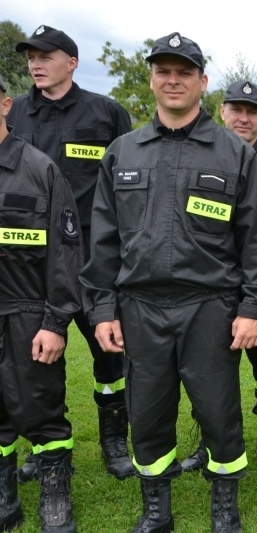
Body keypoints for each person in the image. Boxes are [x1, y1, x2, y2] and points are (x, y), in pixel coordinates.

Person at [80, 33, 257, 533]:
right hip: (140, 308)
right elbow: (102, 240)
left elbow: (256, 240)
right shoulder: (123, 152)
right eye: (163, 71)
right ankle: (156, 509)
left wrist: (254, 307)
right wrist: (102, 309)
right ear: (151, 79)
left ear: (202, 82)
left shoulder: (233, 152)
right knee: (146, 415)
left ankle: (224, 506)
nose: (173, 80)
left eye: (184, 72)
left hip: (209, 305)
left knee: (219, 413)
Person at [8, 24, 134, 481]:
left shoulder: (106, 113)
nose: (35, 64)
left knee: (110, 351)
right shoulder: (14, 113)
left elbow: (129, 180)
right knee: (33, 356)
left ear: (72, 62)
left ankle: (114, 438)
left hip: (92, 254)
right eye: (31, 56)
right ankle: (41, 444)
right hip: (30, 261)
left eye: (46, 55)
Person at [180, 79, 257, 474]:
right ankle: (209, 442)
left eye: (253, 111)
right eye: (236, 109)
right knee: (206, 371)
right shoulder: (201, 156)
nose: (244, 118)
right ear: (222, 111)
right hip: (213, 287)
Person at [0, 74, 83, 533]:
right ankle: (5, 492)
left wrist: (55, 321)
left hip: (27, 312)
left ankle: (55, 492)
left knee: (40, 408)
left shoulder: (39, 169)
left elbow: (66, 253)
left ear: (6, 105)